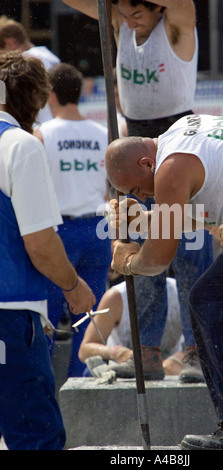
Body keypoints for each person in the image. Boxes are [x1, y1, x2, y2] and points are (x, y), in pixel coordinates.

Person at [105, 111, 223, 450]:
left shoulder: (170, 168)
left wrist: (128, 262)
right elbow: (198, 214)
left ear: (147, 163)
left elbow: (159, 258)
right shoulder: (180, 135)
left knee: (209, 301)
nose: (143, 196)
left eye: (135, 189)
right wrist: (147, 220)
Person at [62, 0, 215, 383]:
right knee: (139, 257)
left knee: (190, 259)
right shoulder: (118, 22)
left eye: (138, 14)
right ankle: (146, 352)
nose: (130, 22)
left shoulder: (177, 23)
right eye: (125, 14)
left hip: (179, 150)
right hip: (134, 157)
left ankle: (198, 351)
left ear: (158, 9)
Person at [0, 50, 95, 450]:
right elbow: (39, 244)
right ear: (36, 100)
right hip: (10, 312)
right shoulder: (19, 146)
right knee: (36, 438)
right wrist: (73, 287)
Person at [34, 63, 112, 377]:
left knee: (48, 318)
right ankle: (84, 388)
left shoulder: (42, 135)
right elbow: (110, 189)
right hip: (96, 230)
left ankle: (39, 391)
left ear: (49, 95)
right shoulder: (102, 133)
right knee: (90, 317)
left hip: (59, 232)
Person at [79, 277, 188, 378]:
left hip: (172, 371)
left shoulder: (180, 292)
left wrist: (180, 358)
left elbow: (202, 343)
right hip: (122, 372)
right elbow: (84, 350)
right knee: (94, 371)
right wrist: (118, 353)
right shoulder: (116, 297)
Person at [0, 15, 60, 124]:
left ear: (9, 42)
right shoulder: (49, 56)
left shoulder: (25, 62)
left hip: (39, 128)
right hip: (53, 125)